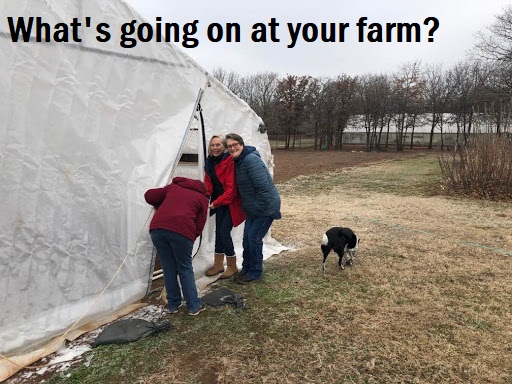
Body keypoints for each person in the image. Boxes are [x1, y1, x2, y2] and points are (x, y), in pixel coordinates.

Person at [145, 176, 208, 316]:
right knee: (185, 268)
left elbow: (149, 195)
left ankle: (173, 304)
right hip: (182, 231)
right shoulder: (203, 198)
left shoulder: (174, 187)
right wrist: (190, 237)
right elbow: (200, 225)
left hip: (157, 229)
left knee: (168, 268)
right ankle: (193, 305)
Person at [224, 133, 281, 284]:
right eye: (229, 146)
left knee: (254, 238)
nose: (232, 147)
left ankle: (255, 273)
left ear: (241, 144)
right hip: (253, 207)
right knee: (246, 239)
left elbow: (263, 188)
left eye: (235, 144)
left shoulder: (251, 160)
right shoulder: (238, 161)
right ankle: (246, 268)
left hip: (266, 206)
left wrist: (258, 208)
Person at [204, 135, 246, 279]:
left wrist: (216, 202)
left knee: (223, 232)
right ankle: (218, 264)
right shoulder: (209, 162)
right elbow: (209, 182)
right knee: (218, 232)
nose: (215, 148)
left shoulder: (229, 161)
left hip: (230, 202)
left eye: (218, 145)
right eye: (213, 145)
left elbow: (231, 190)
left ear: (224, 147)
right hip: (220, 202)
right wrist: (205, 194)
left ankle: (232, 266)